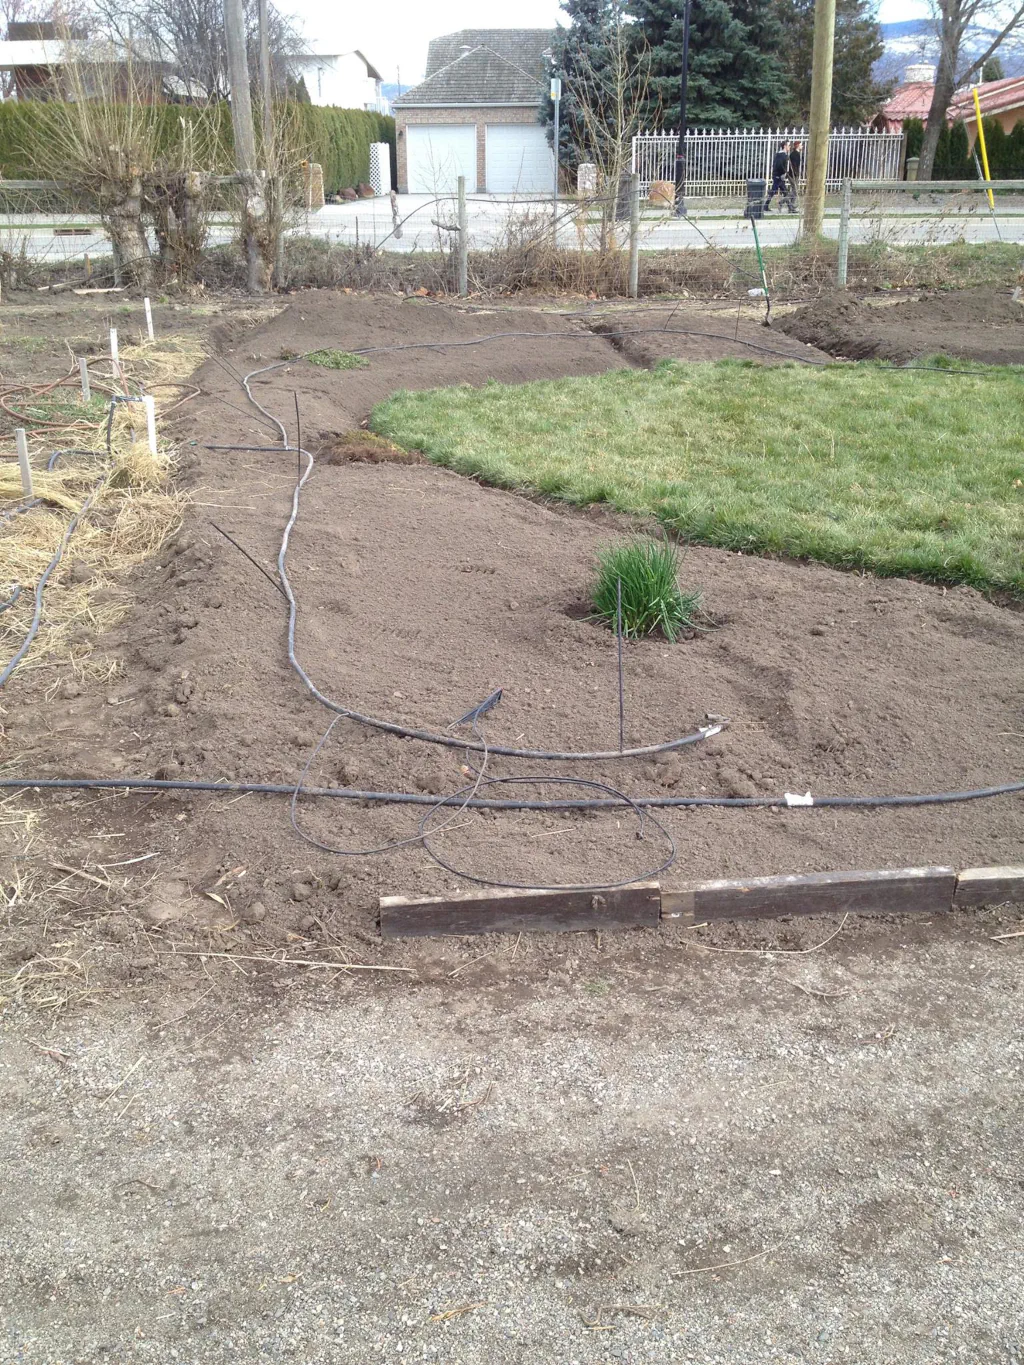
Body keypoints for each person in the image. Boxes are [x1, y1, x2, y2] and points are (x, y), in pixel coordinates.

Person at [764, 143, 795, 214]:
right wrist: (783, 173)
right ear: (785, 146)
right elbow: (780, 166)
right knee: (777, 191)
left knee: (783, 191)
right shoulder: (782, 156)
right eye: (789, 145)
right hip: (779, 176)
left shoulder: (779, 154)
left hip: (777, 176)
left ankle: (790, 207)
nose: (790, 147)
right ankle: (790, 207)